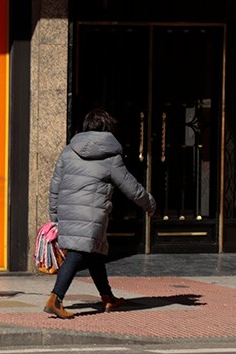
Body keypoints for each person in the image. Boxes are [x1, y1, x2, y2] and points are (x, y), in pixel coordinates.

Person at [45, 108, 156, 319]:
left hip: (68, 210)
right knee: (78, 254)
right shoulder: (111, 157)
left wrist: (54, 215)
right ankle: (55, 299)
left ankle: (108, 298)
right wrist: (149, 204)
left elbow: (55, 184)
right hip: (92, 212)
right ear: (108, 128)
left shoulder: (68, 151)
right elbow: (131, 187)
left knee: (95, 254)